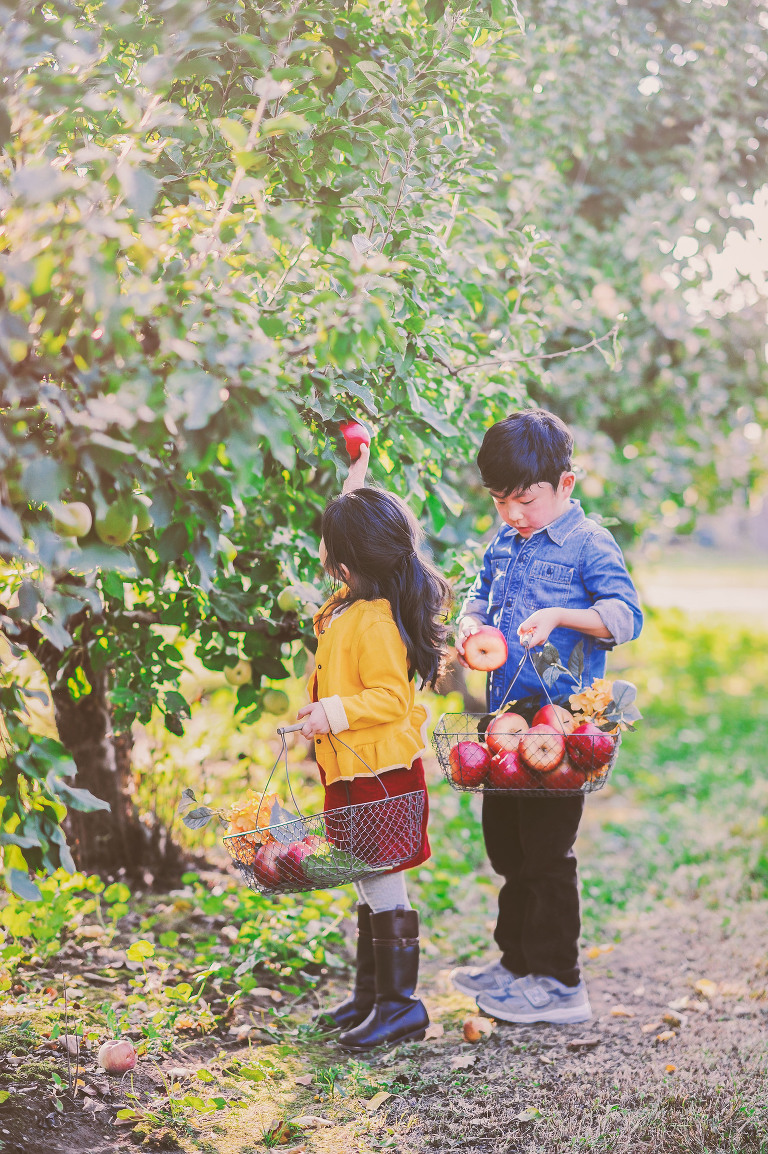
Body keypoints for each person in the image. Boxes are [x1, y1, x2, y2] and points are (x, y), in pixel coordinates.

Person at [450, 409, 642, 1024]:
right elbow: (480, 599)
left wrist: (562, 615)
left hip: (561, 724)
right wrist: (469, 624)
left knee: (546, 852)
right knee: (506, 847)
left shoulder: (589, 544)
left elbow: (624, 617)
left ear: (566, 483)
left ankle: (560, 983)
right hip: (504, 720)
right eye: (500, 500)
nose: (512, 514)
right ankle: (515, 965)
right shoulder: (504, 542)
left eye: (526, 500)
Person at [297, 445, 451, 1051]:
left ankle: (401, 1005)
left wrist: (333, 711)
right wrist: (353, 482)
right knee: (367, 871)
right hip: (355, 769)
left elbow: (389, 698)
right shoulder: (349, 607)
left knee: (383, 875)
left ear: (348, 560)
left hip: (382, 771)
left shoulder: (376, 622)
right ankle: (372, 997)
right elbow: (343, 542)